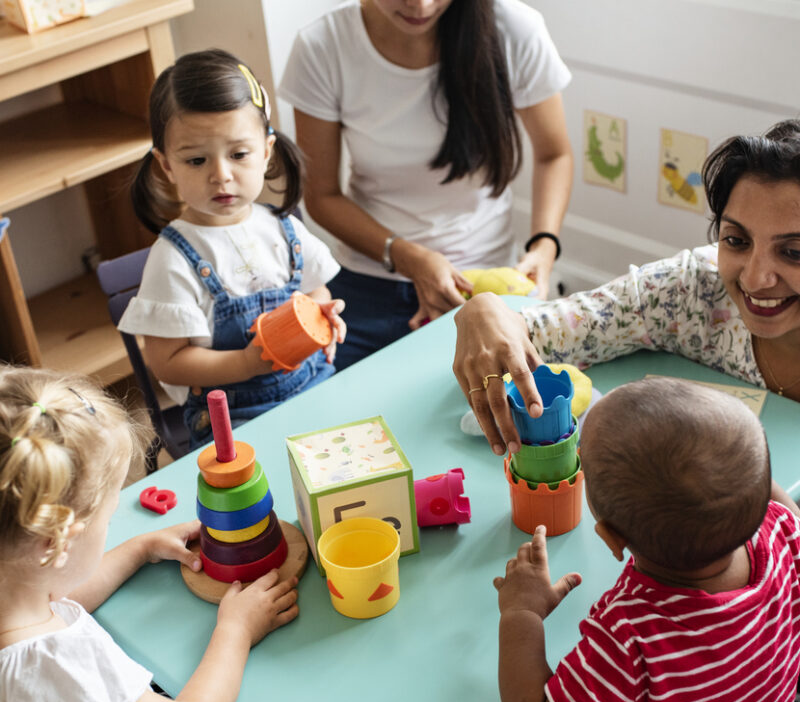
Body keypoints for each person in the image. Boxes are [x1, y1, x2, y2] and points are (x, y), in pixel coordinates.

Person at [450, 377, 800, 702]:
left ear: (612, 538)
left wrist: (522, 614)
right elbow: (771, 497)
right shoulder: (784, 533)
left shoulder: (632, 628)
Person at [0, 365, 298, 702]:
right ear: (56, 542)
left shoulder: (16, 591)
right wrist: (236, 631)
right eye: (106, 517)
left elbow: (56, 597)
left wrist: (138, 549)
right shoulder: (57, 667)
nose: (111, 525)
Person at [452, 118, 800, 455]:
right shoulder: (689, 293)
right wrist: (482, 310)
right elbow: (541, 332)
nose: (756, 278)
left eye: (794, 252)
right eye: (737, 240)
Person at [279, 0, 573, 369]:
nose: (420, 5)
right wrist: (410, 258)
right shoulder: (323, 46)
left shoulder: (515, 29)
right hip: (369, 281)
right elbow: (321, 195)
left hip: (483, 284)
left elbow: (554, 154)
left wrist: (544, 246)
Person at [120, 49, 346, 448]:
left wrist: (321, 318)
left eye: (239, 154)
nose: (220, 175)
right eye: (195, 160)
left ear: (266, 151)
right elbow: (166, 362)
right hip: (235, 420)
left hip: (315, 386)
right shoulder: (173, 258)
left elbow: (315, 290)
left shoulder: (283, 227)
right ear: (166, 166)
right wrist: (245, 364)